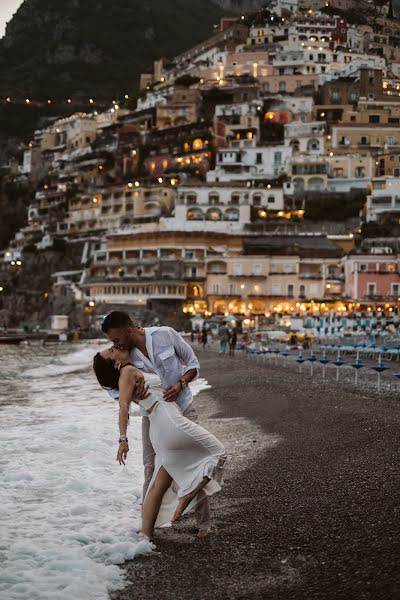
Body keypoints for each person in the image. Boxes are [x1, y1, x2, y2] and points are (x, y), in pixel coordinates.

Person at [93, 346, 226, 541]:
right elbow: (123, 408)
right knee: (218, 452)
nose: (114, 348)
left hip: (159, 427)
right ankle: (186, 495)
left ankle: (145, 537)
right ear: (116, 364)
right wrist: (123, 439)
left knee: (158, 485)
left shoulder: (128, 373)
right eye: (111, 352)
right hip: (171, 422)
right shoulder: (127, 372)